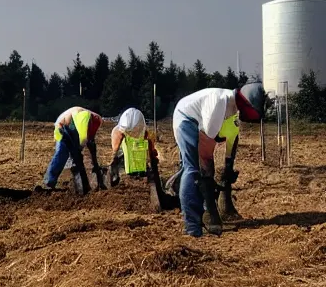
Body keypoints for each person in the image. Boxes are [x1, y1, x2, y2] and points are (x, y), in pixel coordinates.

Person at [172, 82, 266, 238]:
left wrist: (228, 168)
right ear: (246, 103)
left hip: (199, 124)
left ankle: (204, 214)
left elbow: (229, 143)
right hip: (185, 118)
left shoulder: (232, 112)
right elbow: (205, 146)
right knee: (193, 170)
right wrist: (208, 176)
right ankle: (192, 227)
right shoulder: (218, 104)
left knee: (202, 174)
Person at [108, 107, 179, 211]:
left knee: (137, 150)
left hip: (135, 138)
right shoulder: (121, 130)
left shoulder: (136, 128)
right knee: (124, 153)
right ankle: (120, 170)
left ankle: (137, 170)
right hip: (129, 141)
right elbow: (118, 142)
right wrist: (114, 158)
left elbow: (148, 140)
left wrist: (152, 156)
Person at [42, 106, 104, 194]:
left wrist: (93, 159)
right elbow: (83, 138)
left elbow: (88, 137)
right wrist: (80, 149)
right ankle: (49, 183)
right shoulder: (84, 115)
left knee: (77, 159)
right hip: (62, 127)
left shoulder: (94, 120)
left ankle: (83, 185)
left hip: (73, 127)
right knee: (61, 154)